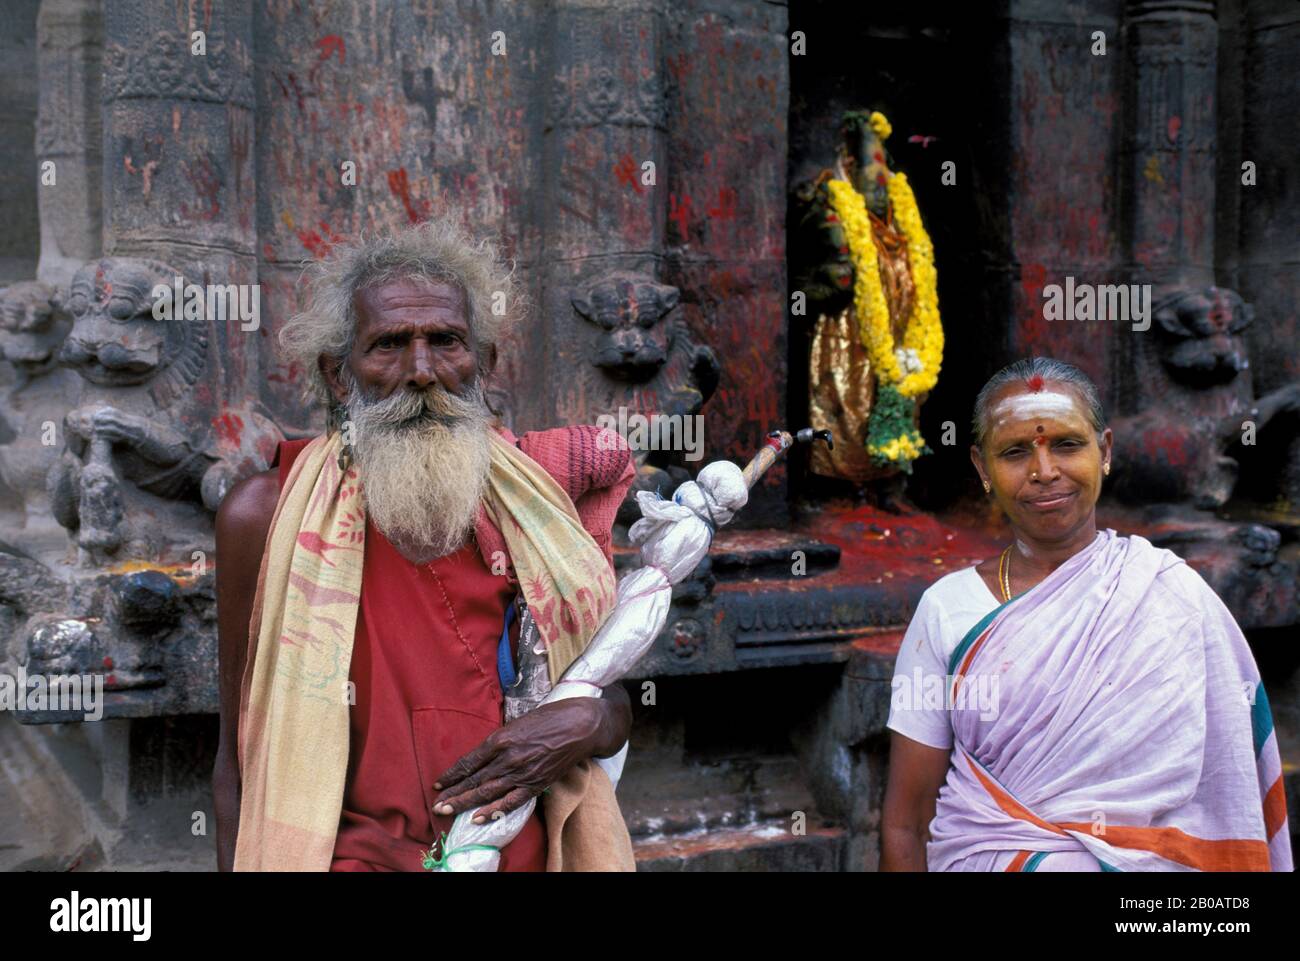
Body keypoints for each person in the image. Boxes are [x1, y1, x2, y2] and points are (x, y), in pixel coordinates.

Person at [212, 219, 635, 872]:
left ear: (484, 364)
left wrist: (587, 725)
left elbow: (607, 694)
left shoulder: (538, 504)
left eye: (446, 342)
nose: (421, 371)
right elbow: (236, 761)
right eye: (388, 345)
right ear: (337, 371)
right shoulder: (263, 515)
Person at [880, 356, 1292, 872]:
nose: (1045, 471)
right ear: (983, 469)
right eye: (1014, 452)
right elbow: (907, 819)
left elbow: (1223, 785)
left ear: (1105, 451)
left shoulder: (1173, 594)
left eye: (1068, 445)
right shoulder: (948, 608)